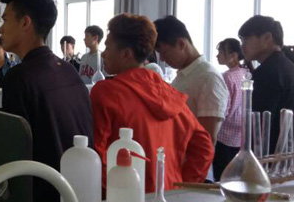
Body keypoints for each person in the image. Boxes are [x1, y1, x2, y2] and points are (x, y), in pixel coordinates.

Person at [91, 14, 213, 192]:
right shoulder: (169, 92)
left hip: (127, 197)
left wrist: (114, 189)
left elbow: (95, 152)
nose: (103, 53)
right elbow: (204, 147)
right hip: (168, 197)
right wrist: (181, 185)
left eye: (108, 47)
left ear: (126, 54)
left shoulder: (106, 92)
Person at [0, 0, 93, 202]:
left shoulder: (19, 78)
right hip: (79, 195)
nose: (1, 28)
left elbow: (17, 153)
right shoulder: (68, 70)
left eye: (6, 19)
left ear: (25, 23)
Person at [238, 15, 294, 153]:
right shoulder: (293, 70)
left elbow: (259, 127)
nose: (242, 46)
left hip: (275, 158)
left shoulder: (267, 73)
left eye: (246, 39)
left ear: (267, 37)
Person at [154, 15, 228, 146]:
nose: (163, 59)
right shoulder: (185, 74)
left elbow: (207, 138)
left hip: (189, 156)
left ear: (181, 44)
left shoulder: (208, 78)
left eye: (164, 52)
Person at [212, 38, 249, 181]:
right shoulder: (246, 73)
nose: (217, 56)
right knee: (236, 177)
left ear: (233, 55)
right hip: (240, 133)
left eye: (221, 52)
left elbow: (224, 107)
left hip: (224, 133)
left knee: (222, 178)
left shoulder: (227, 76)